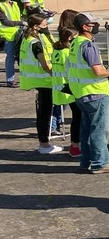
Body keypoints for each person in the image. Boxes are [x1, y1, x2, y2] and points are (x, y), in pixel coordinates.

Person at [67, 14, 109, 173]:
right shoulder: (89, 46)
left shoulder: (75, 43)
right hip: (95, 93)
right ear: (85, 26)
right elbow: (97, 70)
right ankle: (100, 163)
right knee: (99, 130)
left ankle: (87, 161)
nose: (95, 26)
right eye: (92, 24)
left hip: (80, 92)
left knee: (86, 129)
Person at [19, 15, 59, 154]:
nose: (46, 26)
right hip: (44, 81)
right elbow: (45, 65)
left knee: (42, 113)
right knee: (45, 114)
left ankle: (44, 143)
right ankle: (44, 144)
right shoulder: (35, 42)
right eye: (44, 24)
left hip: (37, 81)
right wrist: (56, 74)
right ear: (36, 26)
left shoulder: (26, 39)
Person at [51, 27, 82, 158]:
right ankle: (76, 146)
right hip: (69, 87)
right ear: (70, 38)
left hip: (59, 86)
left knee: (76, 117)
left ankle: (76, 146)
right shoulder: (67, 53)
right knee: (78, 117)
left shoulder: (56, 51)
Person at [1, 0, 24, 86]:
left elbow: (19, 15)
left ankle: (24, 77)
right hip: (8, 35)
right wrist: (20, 23)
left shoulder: (14, 4)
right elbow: (5, 21)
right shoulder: (1, 6)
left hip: (19, 33)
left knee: (21, 56)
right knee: (10, 57)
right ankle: (10, 80)